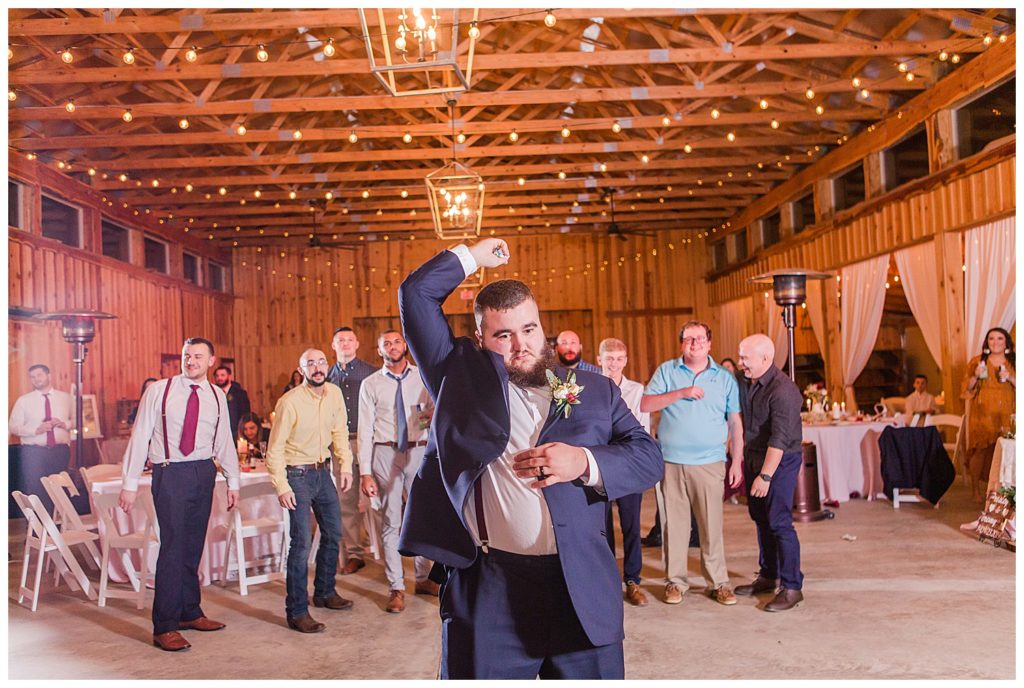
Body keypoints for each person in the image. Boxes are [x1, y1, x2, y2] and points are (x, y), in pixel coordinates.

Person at [397, 238, 663, 679]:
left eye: (529, 329)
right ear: (481, 338)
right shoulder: (457, 377)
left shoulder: (596, 390)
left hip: (579, 589)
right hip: (490, 588)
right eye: (503, 335)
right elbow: (415, 296)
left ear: (543, 329)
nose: (520, 345)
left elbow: (648, 458)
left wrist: (583, 462)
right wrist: (472, 257)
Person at [118, 338, 240, 652]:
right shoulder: (159, 391)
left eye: (198, 356)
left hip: (203, 473)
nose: (191, 361)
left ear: (212, 361)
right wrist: (129, 484)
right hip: (170, 472)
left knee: (192, 546)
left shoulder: (216, 395)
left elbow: (225, 440)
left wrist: (233, 481)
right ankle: (165, 625)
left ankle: (189, 611)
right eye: (187, 356)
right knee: (172, 547)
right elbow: (140, 435)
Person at [641, 321, 743, 607]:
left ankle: (718, 583)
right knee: (674, 525)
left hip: (710, 462)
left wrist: (737, 461)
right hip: (671, 462)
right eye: (688, 339)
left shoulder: (724, 378)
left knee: (711, 525)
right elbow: (646, 404)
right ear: (681, 344)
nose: (694, 344)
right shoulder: (667, 371)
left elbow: (735, 422)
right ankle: (675, 581)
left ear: (709, 343)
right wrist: (681, 393)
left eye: (700, 339)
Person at [266, 348, 356, 633]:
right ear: (301, 368)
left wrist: (346, 466)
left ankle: (325, 592)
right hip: (297, 475)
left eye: (321, 363)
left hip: (323, 472)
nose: (317, 368)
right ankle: (297, 611)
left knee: (333, 533)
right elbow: (275, 448)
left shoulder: (334, 394)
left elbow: (340, 431)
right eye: (310, 364)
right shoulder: (289, 402)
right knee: (302, 542)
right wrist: (281, 486)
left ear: (327, 366)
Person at [358, 330, 436, 613]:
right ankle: (397, 587)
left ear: (405, 345)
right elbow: (364, 429)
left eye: (396, 341)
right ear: (380, 351)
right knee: (391, 519)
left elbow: (434, 411)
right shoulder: (370, 384)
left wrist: (431, 416)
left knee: (423, 517)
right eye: (386, 344)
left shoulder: (423, 376)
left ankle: (425, 577)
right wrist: (365, 471)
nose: (392, 346)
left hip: (418, 449)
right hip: (385, 451)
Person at [735, 334, 805, 612]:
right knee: (761, 518)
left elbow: (779, 439)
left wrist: (765, 477)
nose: (740, 363)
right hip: (754, 457)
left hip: (780, 461)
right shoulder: (745, 381)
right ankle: (768, 574)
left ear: (765, 359)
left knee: (779, 522)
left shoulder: (784, 391)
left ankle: (791, 586)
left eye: (745, 358)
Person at [597, 338, 652, 607]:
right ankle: (605, 582)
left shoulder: (637, 390)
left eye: (619, 359)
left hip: (627, 464)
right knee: (602, 527)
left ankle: (633, 580)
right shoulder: (590, 387)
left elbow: (640, 430)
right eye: (609, 359)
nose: (614, 364)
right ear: (599, 360)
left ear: (626, 361)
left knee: (631, 526)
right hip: (600, 466)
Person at [326, 325, 379, 575]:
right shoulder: (326, 377)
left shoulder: (372, 373)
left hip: (370, 440)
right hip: (340, 444)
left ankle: (385, 547)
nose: (345, 343)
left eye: (349, 339)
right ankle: (355, 553)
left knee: (377, 498)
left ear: (357, 344)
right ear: (333, 345)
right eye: (340, 340)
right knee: (346, 500)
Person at [9, 364, 73, 513]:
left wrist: (65, 423)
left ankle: (60, 527)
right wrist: (35, 430)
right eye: (32, 377)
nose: (36, 379)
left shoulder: (66, 398)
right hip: (33, 453)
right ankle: (38, 527)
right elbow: (13, 426)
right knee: (35, 489)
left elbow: (80, 421)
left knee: (60, 489)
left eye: (39, 375)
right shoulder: (23, 401)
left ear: (49, 376)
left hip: (60, 451)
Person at [961, 327, 1016, 501]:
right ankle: (976, 490)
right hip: (983, 412)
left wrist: (1010, 377)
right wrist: (975, 376)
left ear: (1006, 342)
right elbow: (966, 389)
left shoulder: (1014, 361)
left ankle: (1005, 492)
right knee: (980, 450)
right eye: (991, 339)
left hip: (1008, 411)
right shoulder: (977, 362)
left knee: (1007, 451)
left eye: (1000, 338)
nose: (995, 342)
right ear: (987, 342)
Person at [214, 365, 251, 439]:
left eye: (222, 375)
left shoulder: (240, 393)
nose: (219, 378)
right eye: (217, 376)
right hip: (217, 433)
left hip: (236, 433)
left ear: (229, 376)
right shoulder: (212, 393)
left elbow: (245, 415)